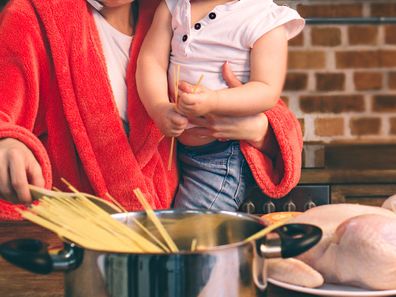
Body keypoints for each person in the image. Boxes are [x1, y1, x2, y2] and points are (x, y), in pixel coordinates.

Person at [0, 0, 302, 220]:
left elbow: (267, 101)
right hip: (76, 234)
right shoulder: (33, 17)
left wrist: (258, 130)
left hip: (169, 215)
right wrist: (7, 142)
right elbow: (5, 113)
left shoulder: (164, 11)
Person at [136, 0, 304, 210]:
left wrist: (213, 101)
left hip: (221, 155)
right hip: (175, 149)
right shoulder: (173, 6)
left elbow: (266, 90)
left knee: (194, 230)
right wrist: (159, 107)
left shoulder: (263, 17)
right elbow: (151, 60)